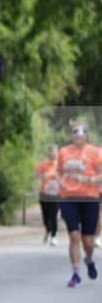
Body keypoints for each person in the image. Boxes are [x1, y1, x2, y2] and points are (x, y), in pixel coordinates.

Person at [56, 121, 102, 287]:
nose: (78, 134)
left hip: (89, 198)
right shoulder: (64, 152)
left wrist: (89, 179)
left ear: (87, 136)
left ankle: (89, 260)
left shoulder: (95, 152)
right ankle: (76, 274)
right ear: (71, 135)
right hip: (69, 198)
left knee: (88, 241)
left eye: (82, 131)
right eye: (75, 131)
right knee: (74, 236)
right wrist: (59, 181)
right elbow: (58, 173)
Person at [36, 145, 62, 247]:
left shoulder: (60, 164)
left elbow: (65, 176)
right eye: (51, 152)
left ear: (57, 153)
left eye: (54, 152)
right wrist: (44, 175)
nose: (53, 154)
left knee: (54, 215)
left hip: (56, 193)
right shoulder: (43, 164)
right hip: (44, 193)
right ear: (48, 153)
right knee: (45, 216)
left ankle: (54, 236)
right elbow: (36, 175)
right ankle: (48, 230)